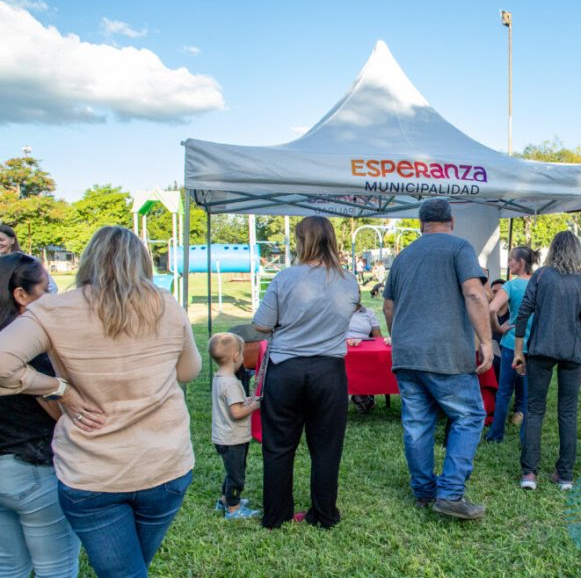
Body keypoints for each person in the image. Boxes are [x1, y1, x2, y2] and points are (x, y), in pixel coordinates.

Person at [0, 226, 201, 577]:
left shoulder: (53, 310)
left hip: (92, 474)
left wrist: (55, 386)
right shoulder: (164, 302)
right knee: (129, 569)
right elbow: (188, 371)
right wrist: (61, 388)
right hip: (164, 464)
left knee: (127, 569)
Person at [382, 198, 492, 520]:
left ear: (421, 224)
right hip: (446, 353)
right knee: (470, 415)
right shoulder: (460, 248)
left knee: (416, 424)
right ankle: (450, 493)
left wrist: (401, 339)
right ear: (452, 221)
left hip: (407, 354)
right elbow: (474, 292)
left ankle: (423, 493)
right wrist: (486, 340)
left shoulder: (403, 256)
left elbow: (389, 307)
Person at [253, 217, 359, 530]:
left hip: (286, 367)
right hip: (329, 370)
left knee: (278, 445)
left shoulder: (285, 277)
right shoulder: (349, 280)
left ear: (303, 242)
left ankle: (276, 514)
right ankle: (324, 514)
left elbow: (261, 324)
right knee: (327, 447)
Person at [0, 253, 80, 577]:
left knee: (9, 568)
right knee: (56, 569)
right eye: (46, 291)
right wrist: (65, 389)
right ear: (21, 295)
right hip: (34, 468)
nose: (52, 298)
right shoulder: (28, 344)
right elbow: (62, 414)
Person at [515, 231, 581, 491]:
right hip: (572, 352)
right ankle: (565, 475)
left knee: (535, 409)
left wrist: (519, 351)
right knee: (568, 412)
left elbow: (523, 312)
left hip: (540, 349)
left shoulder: (540, 276)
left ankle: (529, 473)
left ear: (553, 250)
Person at [485, 247, 539, 443]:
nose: (508, 264)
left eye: (511, 260)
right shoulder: (540, 283)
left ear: (521, 263)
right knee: (530, 393)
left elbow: (491, 308)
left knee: (504, 391)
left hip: (511, 344)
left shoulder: (511, 285)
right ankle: (526, 437)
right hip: (535, 344)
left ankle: (495, 434)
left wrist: (499, 327)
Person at [209, 332, 261, 520]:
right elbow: (236, 412)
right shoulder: (231, 383)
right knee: (237, 476)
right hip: (233, 438)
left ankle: (224, 500)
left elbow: (233, 403)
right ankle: (233, 508)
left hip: (224, 437)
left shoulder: (219, 378)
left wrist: (248, 400)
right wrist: (256, 405)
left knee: (232, 471)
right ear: (236, 357)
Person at [347, 294, 383, 413]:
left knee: (367, 361)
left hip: (364, 348)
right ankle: (362, 397)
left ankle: (361, 395)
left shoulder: (369, 312)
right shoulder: (338, 312)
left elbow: (378, 337)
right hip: (344, 348)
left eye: (357, 292)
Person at [0, 225, 58, 294]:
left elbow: (52, 288)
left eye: (1, 240)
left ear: (13, 240)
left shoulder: (28, 261)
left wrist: (33, 302)